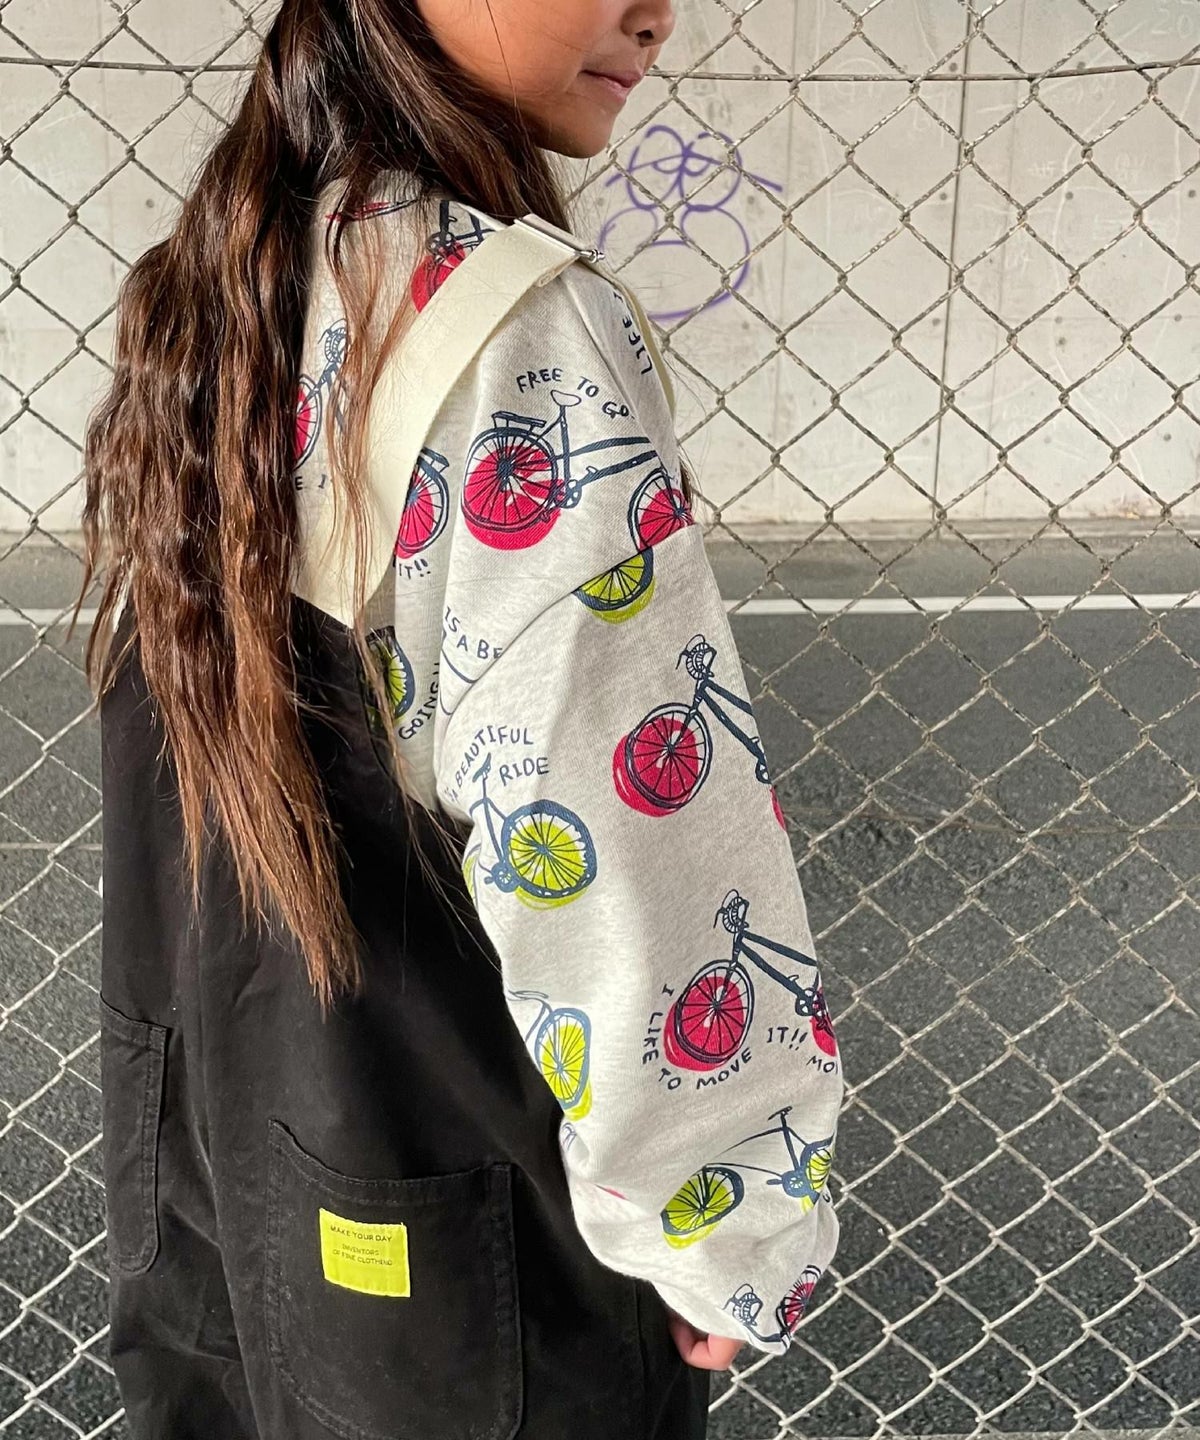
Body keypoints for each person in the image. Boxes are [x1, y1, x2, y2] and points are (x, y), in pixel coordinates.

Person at [75, 2, 847, 1437]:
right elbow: (618, 837)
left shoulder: (234, 262)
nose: (656, 12)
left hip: (219, 1146)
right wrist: (718, 1224)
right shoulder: (508, 327)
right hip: (465, 1225)